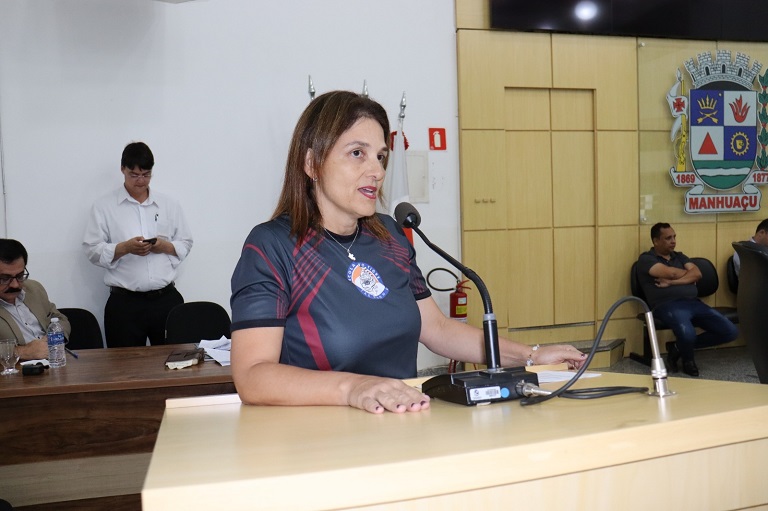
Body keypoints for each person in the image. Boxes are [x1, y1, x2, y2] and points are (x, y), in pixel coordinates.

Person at [230, 90, 587, 414]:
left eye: (380, 156)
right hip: (320, 437)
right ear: (311, 164)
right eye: (357, 153)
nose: (376, 171)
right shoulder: (272, 246)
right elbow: (253, 376)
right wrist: (354, 387)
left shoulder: (390, 236)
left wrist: (532, 355)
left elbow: (438, 329)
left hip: (404, 422)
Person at [83, 142, 193, 347]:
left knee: (174, 358)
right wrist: (124, 248)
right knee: (124, 362)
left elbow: (186, 242)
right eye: (134, 175)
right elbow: (92, 250)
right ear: (122, 169)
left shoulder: (169, 204)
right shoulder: (104, 207)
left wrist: (164, 246)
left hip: (166, 299)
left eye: (146, 174)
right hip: (125, 305)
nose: (141, 181)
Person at [636, 222, 738, 376]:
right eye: (668, 238)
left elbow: (697, 274)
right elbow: (670, 273)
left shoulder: (680, 256)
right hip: (667, 305)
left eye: (674, 237)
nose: (673, 241)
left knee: (730, 331)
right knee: (688, 334)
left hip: (693, 303)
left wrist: (672, 282)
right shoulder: (646, 259)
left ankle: (677, 347)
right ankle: (688, 360)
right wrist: (687, 275)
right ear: (656, 241)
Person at [0, 239, 71, 360]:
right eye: (4, 278)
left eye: (20, 276)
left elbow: (59, 318)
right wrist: (23, 352)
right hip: (16, 369)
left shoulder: (34, 289)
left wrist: (53, 339)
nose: (15, 285)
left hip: (54, 361)